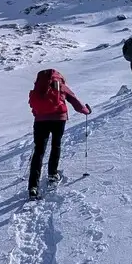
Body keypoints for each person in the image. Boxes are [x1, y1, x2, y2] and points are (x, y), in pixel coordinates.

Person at [27, 68, 91, 199]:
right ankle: (52, 174)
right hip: (58, 119)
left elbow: (33, 104)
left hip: (40, 121)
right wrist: (86, 111)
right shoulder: (61, 86)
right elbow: (75, 101)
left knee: (39, 151)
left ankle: (33, 186)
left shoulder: (39, 87)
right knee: (56, 145)